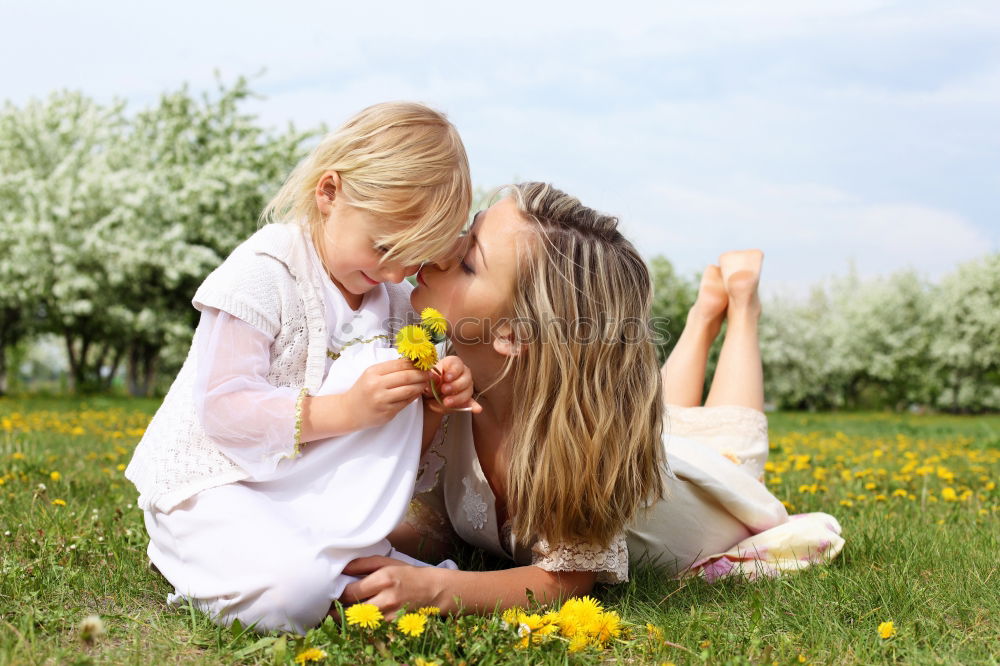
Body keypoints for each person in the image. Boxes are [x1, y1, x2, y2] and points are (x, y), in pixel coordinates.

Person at [341, 182, 842, 617]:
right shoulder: (442, 385)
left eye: (469, 262)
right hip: (658, 448)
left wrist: (436, 589)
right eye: (467, 232)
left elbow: (565, 581)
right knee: (677, 421)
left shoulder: (571, 446)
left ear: (515, 335)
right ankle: (704, 313)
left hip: (699, 499)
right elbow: (441, 529)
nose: (442, 250)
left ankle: (741, 305)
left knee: (732, 445)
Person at [125, 102, 480, 634]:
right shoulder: (266, 272)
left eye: (414, 258)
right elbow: (224, 409)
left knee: (305, 578)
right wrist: (347, 408)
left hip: (312, 502)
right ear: (329, 193)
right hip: (219, 486)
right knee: (292, 590)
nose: (395, 270)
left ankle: (326, 575)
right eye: (384, 245)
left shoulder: (396, 303)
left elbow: (395, 448)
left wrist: (431, 400)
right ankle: (206, 558)